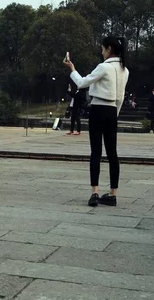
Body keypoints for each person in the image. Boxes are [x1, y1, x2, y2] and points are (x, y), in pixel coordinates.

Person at [63, 37, 129, 207]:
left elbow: (82, 82)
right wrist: (115, 114)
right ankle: (113, 194)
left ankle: (95, 192)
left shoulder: (104, 67)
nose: (101, 52)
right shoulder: (124, 70)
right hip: (113, 110)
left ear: (108, 49)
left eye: (102, 49)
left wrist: (72, 69)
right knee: (112, 153)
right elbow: (120, 97)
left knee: (96, 152)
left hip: (98, 109)